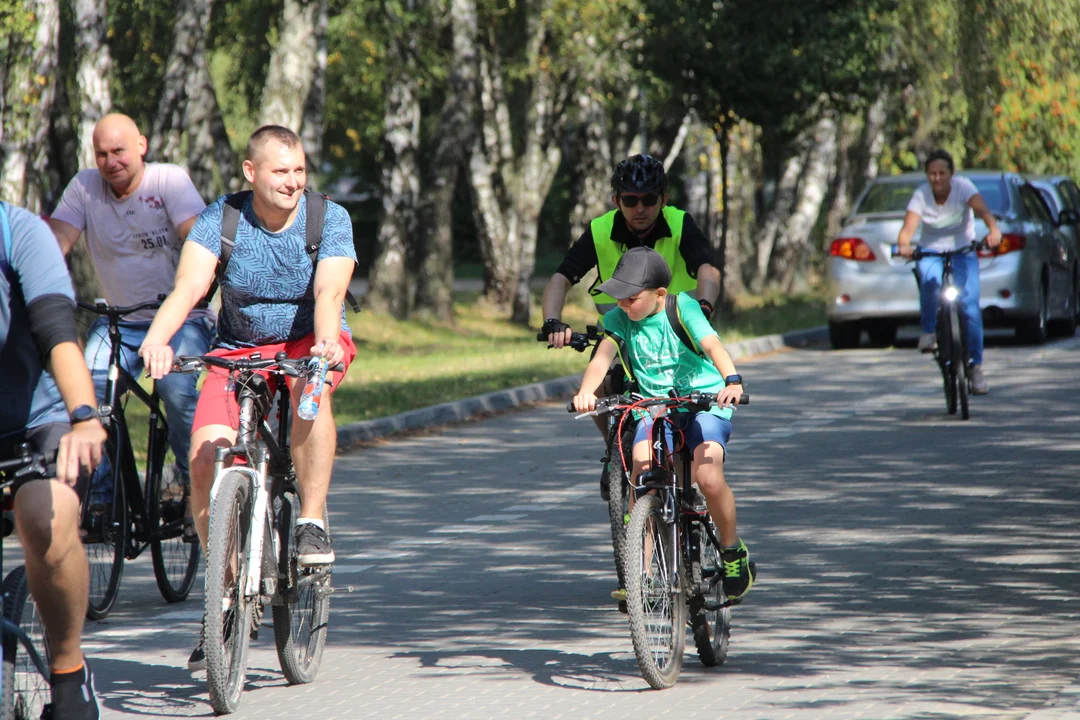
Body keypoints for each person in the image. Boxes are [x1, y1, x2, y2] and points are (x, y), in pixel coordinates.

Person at [137, 124, 357, 671]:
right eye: (281, 171)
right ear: (251, 172)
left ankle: (309, 521)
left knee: (312, 394)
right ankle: (226, 596)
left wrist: (325, 345)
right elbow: (189, 288)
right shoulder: (222, 219)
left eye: (300, 170)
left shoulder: (327, 218)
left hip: (310, 341)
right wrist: (157, 340)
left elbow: (330, 291)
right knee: (204, 455)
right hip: (237, 348)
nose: (293, 181)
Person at [47, 112, 212, 520]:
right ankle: (102, 497)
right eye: (101, 153)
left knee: (176, 390)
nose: (110, 162)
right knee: (89, 397)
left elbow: (201, 240)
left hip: (180, 320)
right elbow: (55, 244)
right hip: (117, 320)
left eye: (119, 151)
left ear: (142, 146)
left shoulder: (168, 181)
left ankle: (195, 485)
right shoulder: (84, 187)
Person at [571, 246, 755, 601]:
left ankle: (733, 551)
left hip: (703, 402)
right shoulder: (619, 319)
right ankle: (639, 577)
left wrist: (731, 380)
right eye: (618, 297)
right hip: (653, 407)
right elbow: (601, 360)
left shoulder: (681, 307)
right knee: (641, 476)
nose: (623, 304)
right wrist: (586, 392)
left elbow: (712, 344)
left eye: (631, 297)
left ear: (658, 294)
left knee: (708, 475)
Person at [1, 200, 107, 719]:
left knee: (46, 515)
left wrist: (84, 416)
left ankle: (68, 671)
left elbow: (56, 331)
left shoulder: (18, 232)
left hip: (36, 422)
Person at [896, 149, 1002, 395]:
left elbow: (984, 212)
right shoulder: (921, 196)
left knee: (970, 306)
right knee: (930, 282)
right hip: (931, 252)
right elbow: (908, 229)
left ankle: (976, 367)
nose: (937, 178)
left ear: (951, 174)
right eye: (932, 173)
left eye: (942, 172)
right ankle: (929, 331)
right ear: (927, 175)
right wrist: (904, 245)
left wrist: (993, 230)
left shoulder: (964, 188)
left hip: (963, 251)